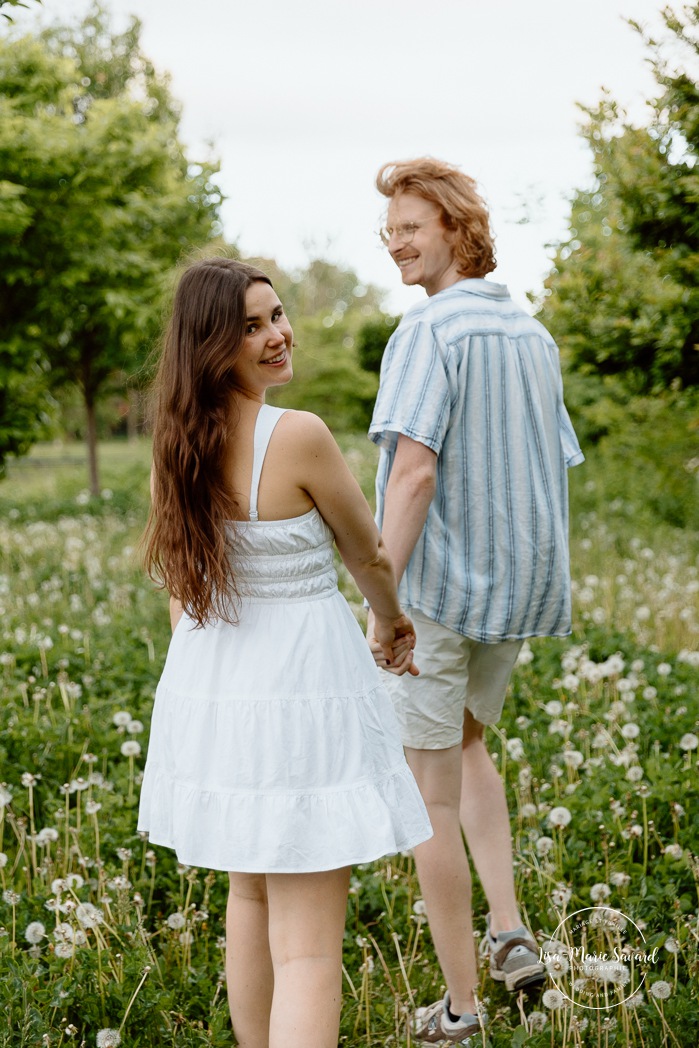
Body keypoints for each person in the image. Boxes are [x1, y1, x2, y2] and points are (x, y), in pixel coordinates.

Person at [137, 256, 432, 1048]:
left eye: (275, 315)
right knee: (306, 949)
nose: (277, 335)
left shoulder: (175, 443)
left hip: (213, 681)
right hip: (300, 684)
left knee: (251, 896)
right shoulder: (295, 435)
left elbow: (180, 580)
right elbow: (366, 553)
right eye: (251, 327)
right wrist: (392, 621)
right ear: (211, 347)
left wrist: (205, 684)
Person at [366, 158, 584, 1045]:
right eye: (387, 231)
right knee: (466, 747)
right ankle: (508, 930)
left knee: (428, 800)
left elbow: (412, 474)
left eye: (410, 226)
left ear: (457, 227)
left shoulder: (429, 335)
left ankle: (459, 1009)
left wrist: (385, 603)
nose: (395, 244)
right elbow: (548, 460)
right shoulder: (531, 336)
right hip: (518, 590)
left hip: (442, 597)